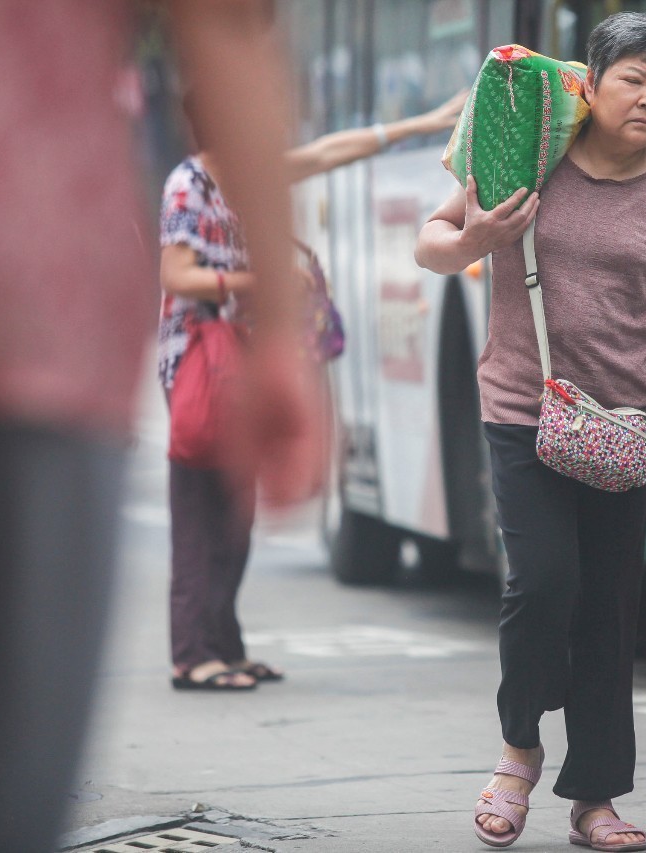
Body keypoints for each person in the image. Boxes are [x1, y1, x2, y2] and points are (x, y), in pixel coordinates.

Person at [0, 1, 327, 850]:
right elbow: (227, 30)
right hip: (43, 311)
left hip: (45, 336)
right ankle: (202, 645)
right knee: (1, 807)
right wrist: (277, 333)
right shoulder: (182, 183)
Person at [415, 12, 646, 852]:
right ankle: (518, 748)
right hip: (521, 410)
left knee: (610, 611)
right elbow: (429, 243)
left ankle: (596, 796)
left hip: (622, 431)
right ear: (591, 83)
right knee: (542, 585)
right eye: (633, 79)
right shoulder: (530, 154)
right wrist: (476, 236)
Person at [160, 89, 467, 691]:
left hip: (240, 362)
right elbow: (176, 273)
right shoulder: (187, 184)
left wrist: (426, 123)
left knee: (235, 513)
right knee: (201, 512)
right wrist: (259, 278)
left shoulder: (251, 173)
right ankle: (193, 654)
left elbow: (333, 152)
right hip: (202, 361)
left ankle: (224, 644)